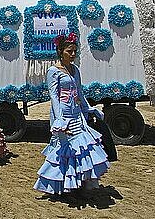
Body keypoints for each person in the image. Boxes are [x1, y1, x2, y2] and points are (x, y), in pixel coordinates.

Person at [34, 32, 110, 196]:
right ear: (61, 52)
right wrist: (59, 119)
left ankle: (79, 183)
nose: (73, 54)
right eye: (69, 51)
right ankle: (63, 185)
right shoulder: (53, 71)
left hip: (77, 115)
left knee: (82, 147)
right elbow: (54, 96)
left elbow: (79, 92)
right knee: (64, 149)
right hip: (62, 114)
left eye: (75, 51)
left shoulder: (75, 70)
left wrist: (88, 109)